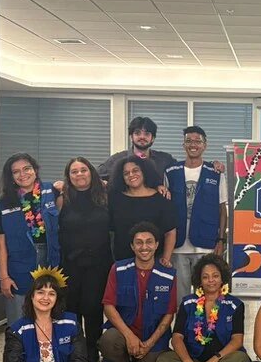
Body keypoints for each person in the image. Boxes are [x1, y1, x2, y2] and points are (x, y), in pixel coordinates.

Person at [156, 254, 250, 362]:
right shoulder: (188, 303)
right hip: (194, 361)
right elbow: (176, 338)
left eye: (215, 276)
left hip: (222, 360)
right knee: (163, 361)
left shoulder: (235, 305)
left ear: (222, 278)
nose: (211, 280)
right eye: (205, 277)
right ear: (199, 280)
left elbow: (237, 341)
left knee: (241, 360)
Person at [98, 222, 177, 362]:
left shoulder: (168, 275)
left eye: (149, 242)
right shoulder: (118, 269)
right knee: (108, 341)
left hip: (153, 339)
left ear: (157, 245)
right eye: (139, 242)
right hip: (125, 334)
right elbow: (108, 307)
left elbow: (169, 315)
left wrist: (149, 344)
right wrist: (130, 337)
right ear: (132, 246)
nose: (144, 247)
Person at [58, 157, 112, 362]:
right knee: (71, 311)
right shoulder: (62, 199)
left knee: (93, 310)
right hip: (70, 265)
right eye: (74, 171)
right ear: (68, 177)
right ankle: (76, 358)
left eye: (83, 170)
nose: (79, 174)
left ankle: (93, 357)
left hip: (99, 264)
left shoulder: (105, 196)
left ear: (91, 172)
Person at [164, 126, 228, 305]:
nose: (193, 145)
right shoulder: (171, 172)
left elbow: (222, 209)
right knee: (180, 300)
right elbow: (164, 208)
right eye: (189, 141)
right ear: (183, 144)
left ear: (204, 145)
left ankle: (205, 325)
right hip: (177, 245)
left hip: (205, 244)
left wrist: (221, 240)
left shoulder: (215, 173)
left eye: (197, 141)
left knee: (207, 297)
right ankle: (182, 324)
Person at [0, 153, 61, 325]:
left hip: (50, 261)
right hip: (19, 265)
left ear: (35, 170)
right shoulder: (3, 203)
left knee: (49, 317)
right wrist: (4, 277)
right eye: (16, 171)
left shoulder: (52, 192)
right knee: (18, 320)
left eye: (27, 169)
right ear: (11, 177)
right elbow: (1, 245)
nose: (22, 174)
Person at [108, 155, 177, 263]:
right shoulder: (114, 199)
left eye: (135, 170)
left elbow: (170, 233)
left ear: (144, 171)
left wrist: (166, 259)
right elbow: (110, 231)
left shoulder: (161, 199)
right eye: (126, 173)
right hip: (122, 261)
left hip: (154, 262)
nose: (131, 175)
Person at [97, 116, 176, 186]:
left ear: (153, 138)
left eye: (147, 134)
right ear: (131, 137)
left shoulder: (165, 159)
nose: (142, 137)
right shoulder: (117, 159)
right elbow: (95, 176)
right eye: (137, 133)